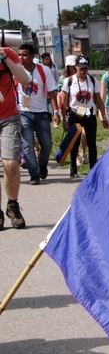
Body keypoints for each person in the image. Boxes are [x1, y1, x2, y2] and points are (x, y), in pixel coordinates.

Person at [59, 55, 109, 178]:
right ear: (76, 67)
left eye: (85, 68)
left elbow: (98, 99)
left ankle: (93, 169)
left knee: (91, 142)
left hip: (89, 114)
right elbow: (64, 102)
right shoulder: (69, 81)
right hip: (75, 115)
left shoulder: (92, 80)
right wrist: (64, 118)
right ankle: (73, 168)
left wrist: (103, 115)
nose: (83, 71)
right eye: (80, 68)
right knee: (74, 142)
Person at [16, 43, 57, 185]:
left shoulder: (43, 70)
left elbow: (51, 92)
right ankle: (34, 174)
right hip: (23, 112)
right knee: (27, 145)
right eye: (19, 54)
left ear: (33, 56)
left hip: (41, 112)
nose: (21, 57)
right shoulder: (16, 70)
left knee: (47, 144)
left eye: (24, 55)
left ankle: (42, 164)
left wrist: (56, 111)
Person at [0, 45, 31, 229]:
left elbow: (24, 78)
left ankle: (12, 205)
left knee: (11, 164)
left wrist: (5, 58)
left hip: (9, 117)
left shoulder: (8, 53)